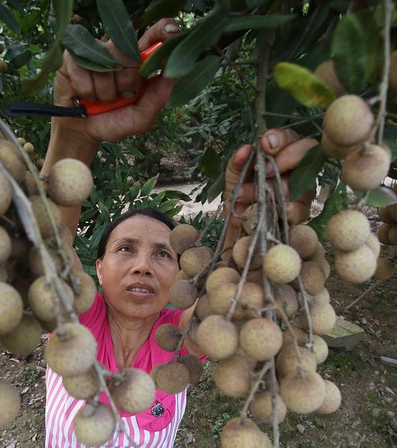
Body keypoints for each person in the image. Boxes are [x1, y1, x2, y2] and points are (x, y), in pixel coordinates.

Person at [41, 18, 316, 448]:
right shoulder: (79, 321)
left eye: (163, 254)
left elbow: (225, 298)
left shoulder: (179, 339)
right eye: (125, 249)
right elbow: (46, 244)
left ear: (181, 276)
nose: (143, 266)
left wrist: (247, 220)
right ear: (98, 268)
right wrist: (73, 138)